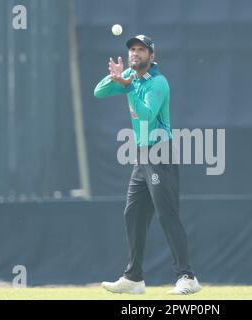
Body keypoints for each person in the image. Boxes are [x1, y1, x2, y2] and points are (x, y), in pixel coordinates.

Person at [93, 35, 201, 295]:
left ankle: (187, 277)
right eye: (132, 49)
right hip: (142, 156)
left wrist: (128, 86)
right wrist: (116, 79)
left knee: (166, 214)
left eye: (141, 50)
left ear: (152, 56)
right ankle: (133, 278)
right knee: (133, 214)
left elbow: (145, 116)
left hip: (160, 152)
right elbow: (98, 92)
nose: (135, 54)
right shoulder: (131, 76)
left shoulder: (158, 83)